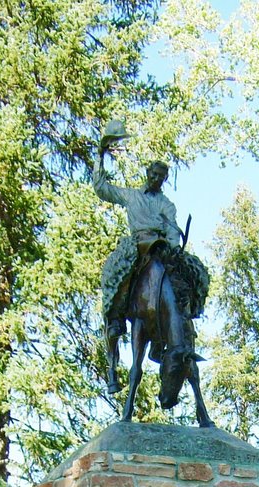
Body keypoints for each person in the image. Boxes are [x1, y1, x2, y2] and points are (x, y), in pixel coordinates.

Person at [92, 120, 209, 393]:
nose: (156, 178)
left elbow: (171, 226)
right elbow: (101, 188)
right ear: (148, 173)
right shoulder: (132, 196)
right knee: (116, 276)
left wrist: (172, 244)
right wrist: (100, 155)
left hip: (161, 245)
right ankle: (116, 321)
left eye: (161, 176)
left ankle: (183, 321)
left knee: (193, 273)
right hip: (138, 244)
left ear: (164, 179)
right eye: (153, 174)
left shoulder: (166, 204)